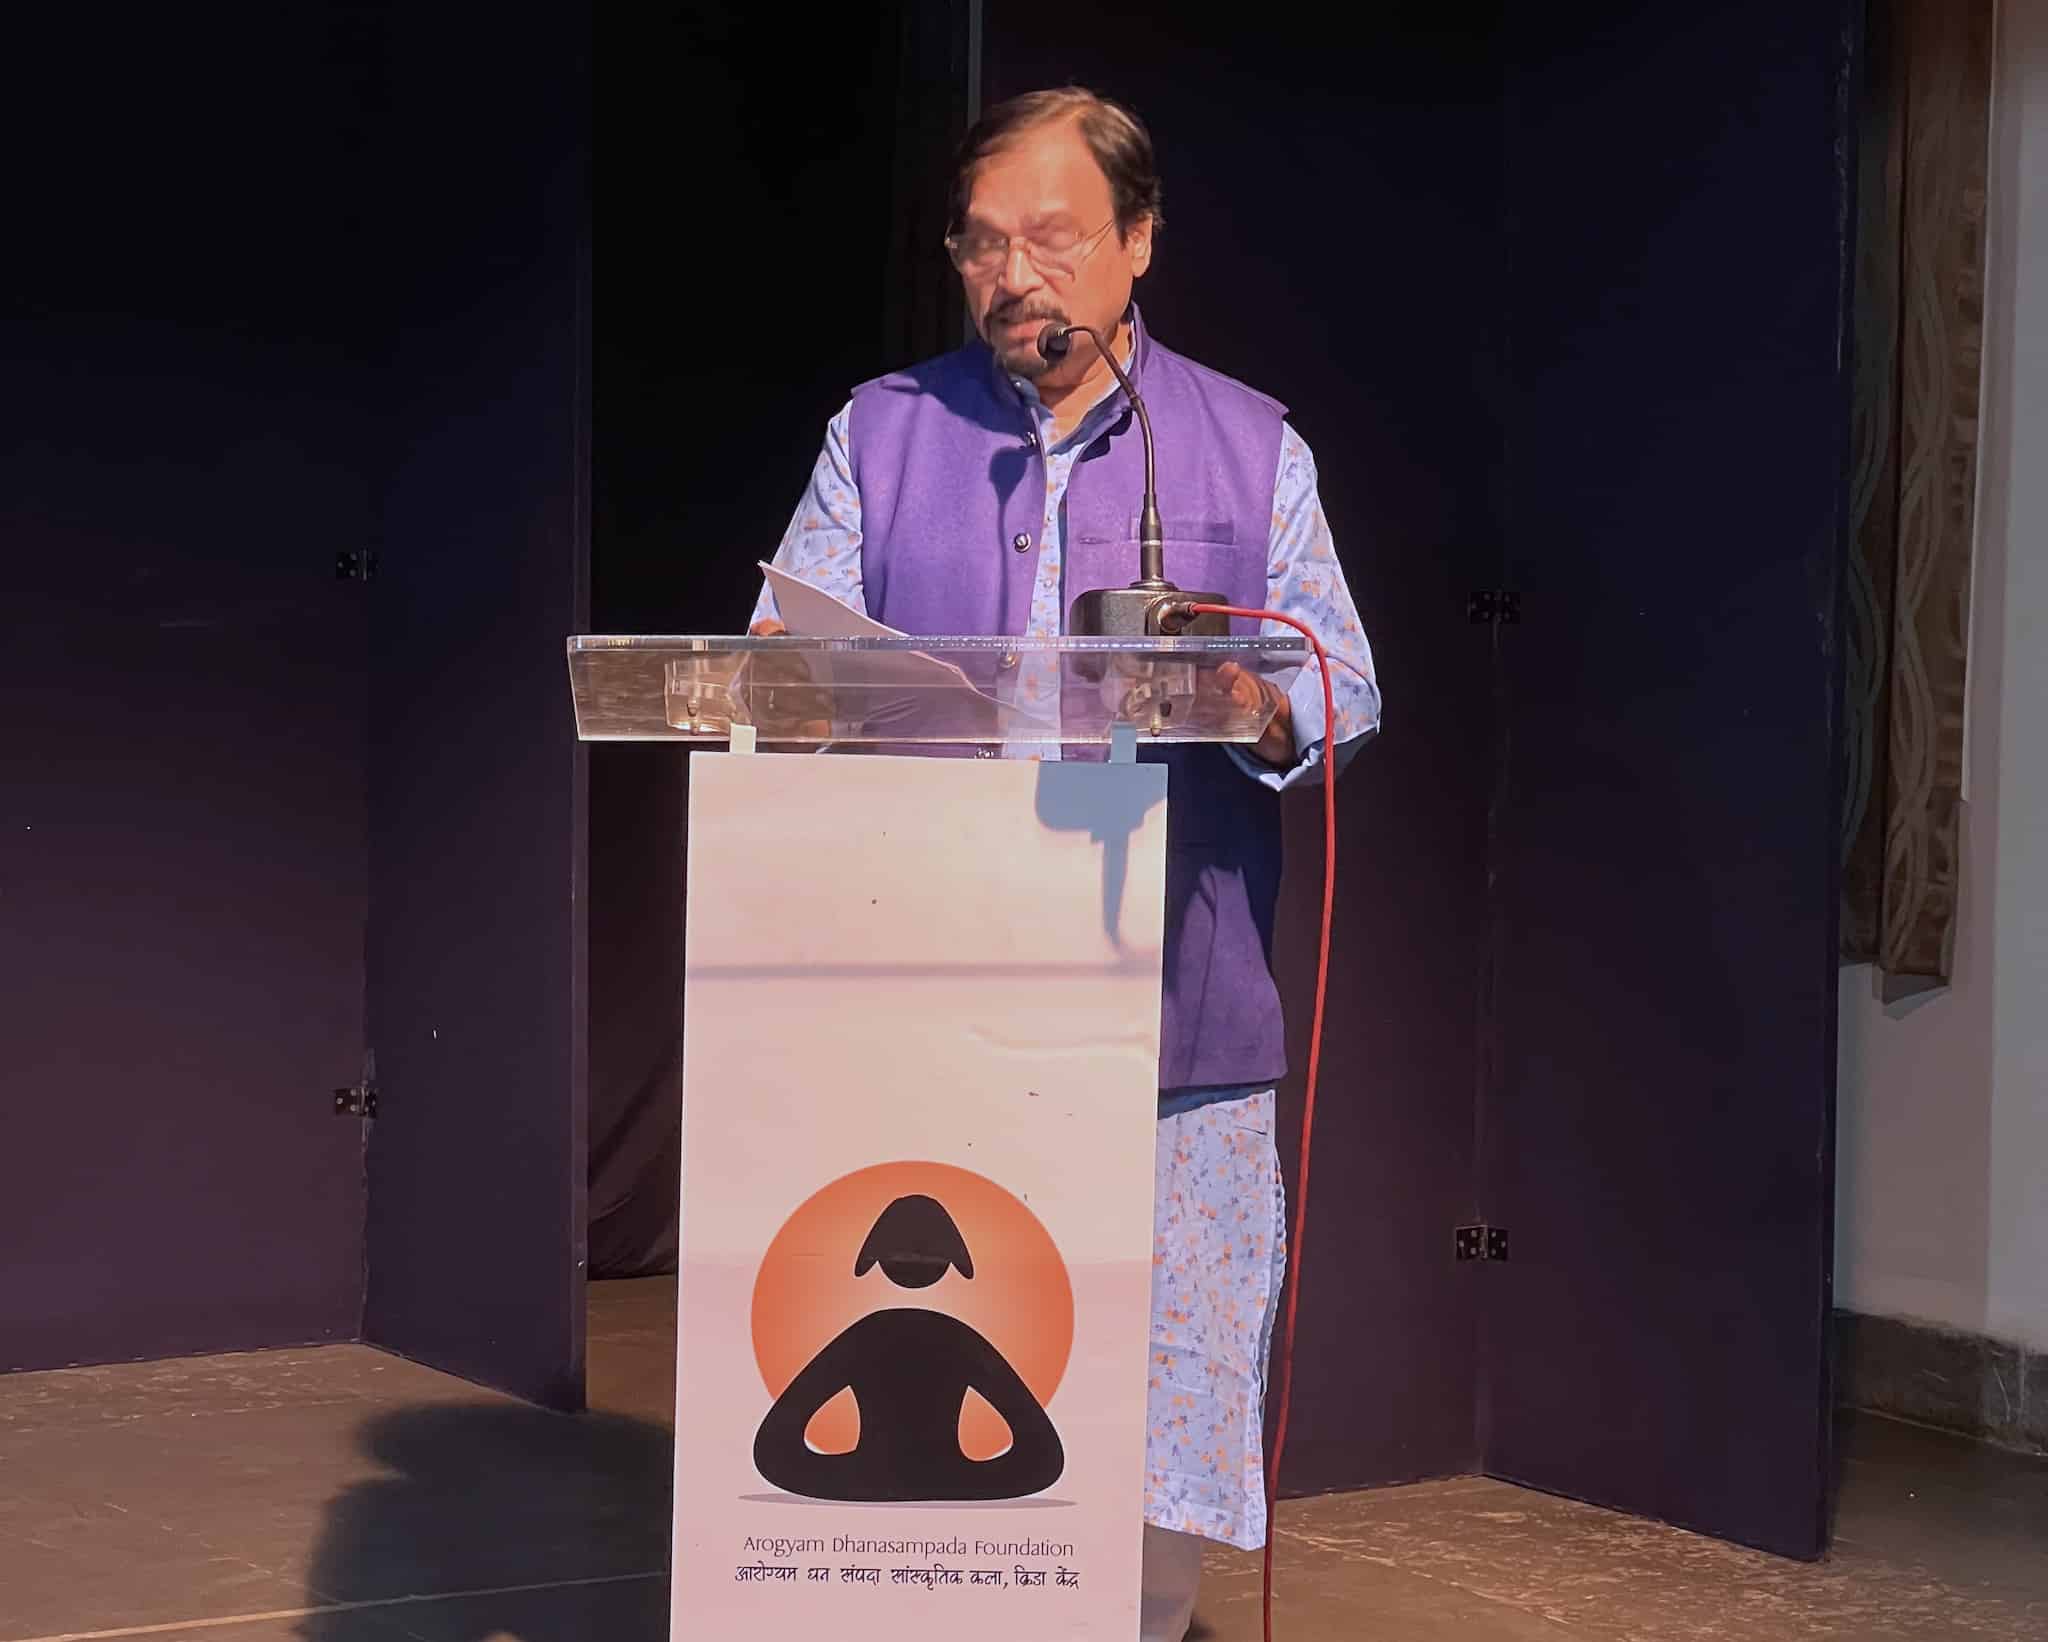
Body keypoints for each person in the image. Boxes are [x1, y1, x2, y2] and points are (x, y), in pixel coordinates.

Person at [749, 85, 1380, 1642]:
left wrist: (1247, 700)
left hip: (1172, 1013)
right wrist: (794, 684)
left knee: (1163, 1403)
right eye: (982, 243)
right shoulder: (879, 433)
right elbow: (777, 653)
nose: (1013, 274)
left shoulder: (1247, 445)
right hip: (925, 998)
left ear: (1138, 240)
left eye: (1051, 236)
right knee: (956, 1373)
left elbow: (1342, 684)